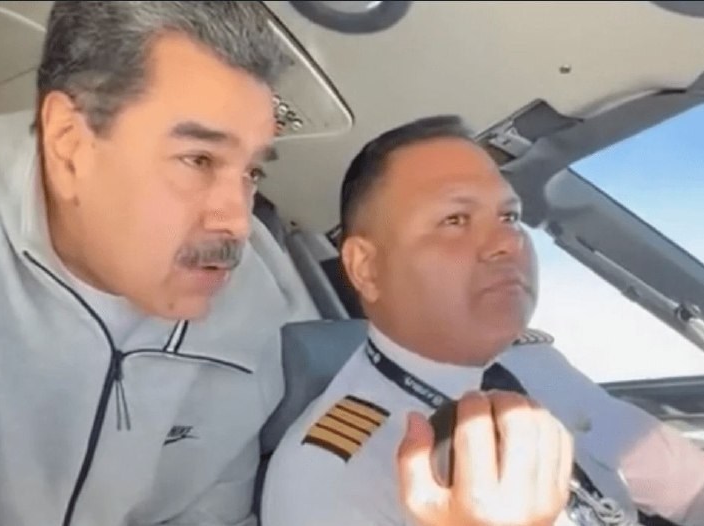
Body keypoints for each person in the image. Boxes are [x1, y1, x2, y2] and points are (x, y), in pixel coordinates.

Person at [0, 2, 315, 525]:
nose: (237, 221)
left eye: (252, 172)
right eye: (198, 160)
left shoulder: (251, 305)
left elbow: (210, 510)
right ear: (69, 143)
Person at [260, 115, 704, 526]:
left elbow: (688, 487)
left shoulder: (535, 364)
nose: (507, 242)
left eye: (509, 216)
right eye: (455, 220)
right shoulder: (326, 474)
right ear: (367, 268)